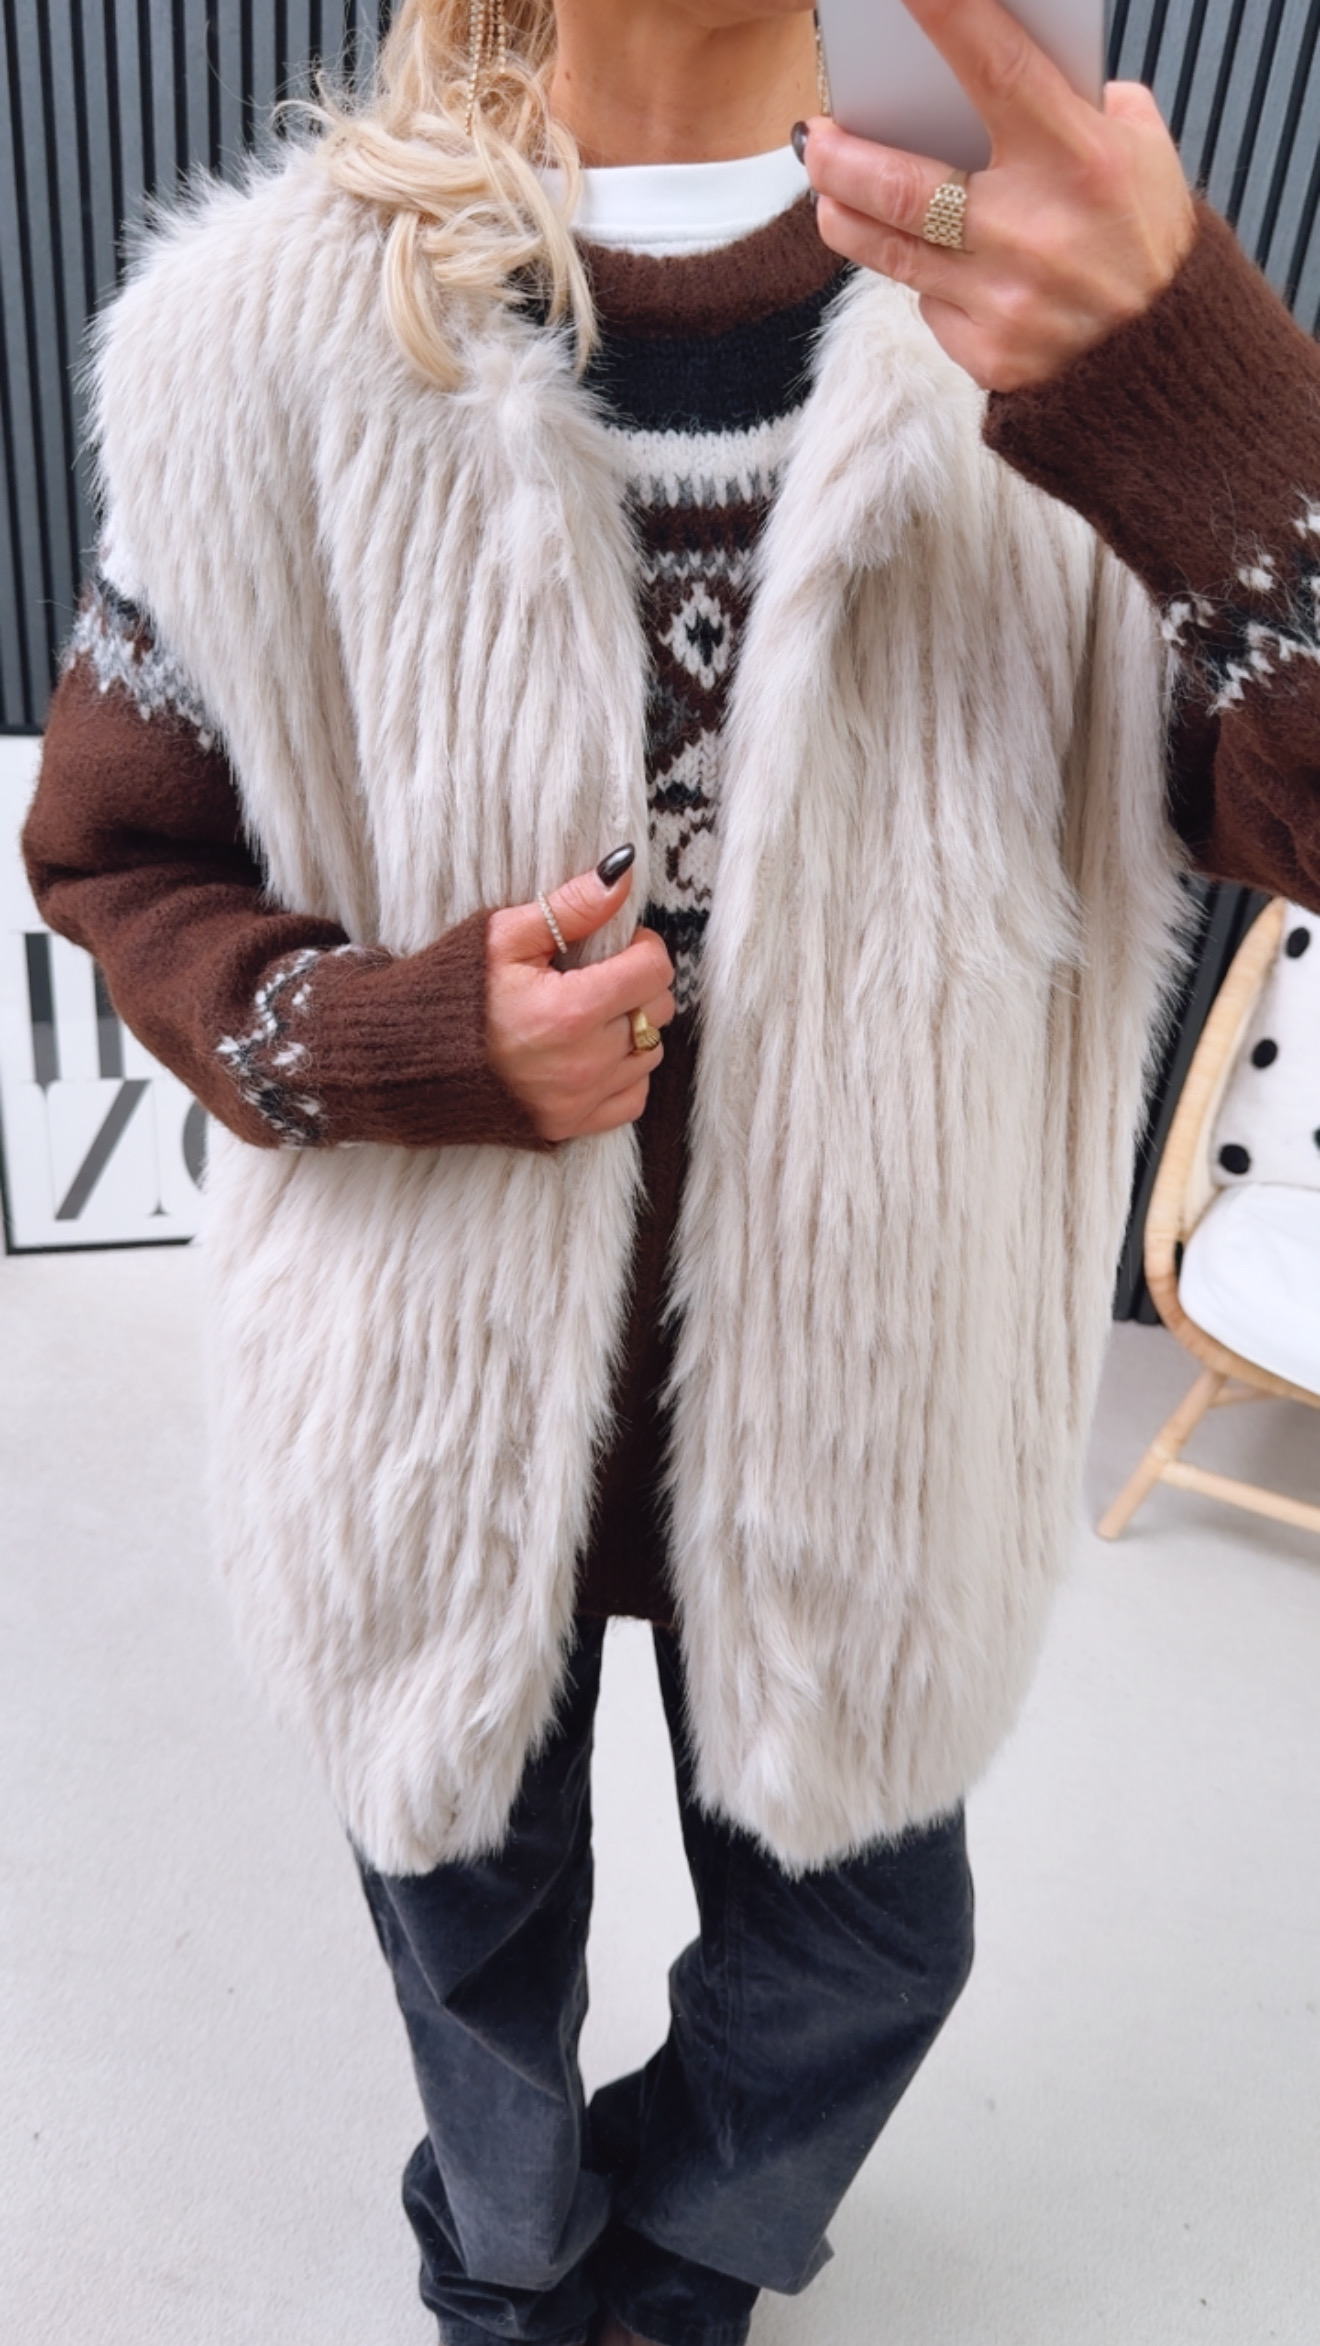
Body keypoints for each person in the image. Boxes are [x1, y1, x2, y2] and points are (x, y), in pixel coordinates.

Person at [22, 1, 1320, 2340]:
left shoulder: (1056, 314)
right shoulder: (261, 332)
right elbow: (123, 860)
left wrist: (1211, 396)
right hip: (421, 1391)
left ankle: (694, 2254)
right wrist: (403, 1040)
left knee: (873, 1947)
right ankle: (512, 2266)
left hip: (876, 1402)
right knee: (469, 1942)